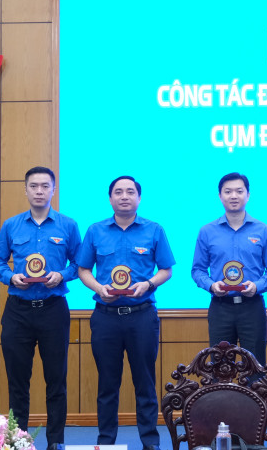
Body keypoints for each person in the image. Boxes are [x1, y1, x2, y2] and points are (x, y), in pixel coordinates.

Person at [76, 176, 174, 450]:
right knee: (107, 384)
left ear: (139, 198)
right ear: (110, 199)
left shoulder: (154, 230)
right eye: (118, 192)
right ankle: (106, 442)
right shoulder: (95, 230)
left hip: (142, 315)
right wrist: (98, 287)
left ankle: (150, 443)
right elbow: (83, 269)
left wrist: (148, 284)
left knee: (145, 382)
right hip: (105, 316)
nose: (124, 196)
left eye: (130, 192)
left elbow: (166, 270)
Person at [0, 166, 81, 450]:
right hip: (18, 311)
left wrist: (62, 275)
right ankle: (19, 440)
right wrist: (10, 277)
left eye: (45, 186)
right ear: (26, 189)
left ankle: (56, 442)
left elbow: (80, 264)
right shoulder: (11, 225)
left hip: (53, 310)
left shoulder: (68, 225)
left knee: (56, 380)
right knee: (18, 381)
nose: (39, 191)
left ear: (53, 189)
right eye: (34, 186)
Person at [192, 172, 267, 365]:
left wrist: (257, 286)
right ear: (220, 196)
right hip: (220, 307)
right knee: (219, 368)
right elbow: (197, 270)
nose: (234, 196)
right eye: (228, 192)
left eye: (239, 191)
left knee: (255, 367)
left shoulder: (264, 231)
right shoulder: (207, 231)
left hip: (252, 307)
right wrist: (211, 285)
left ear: (248, 195)